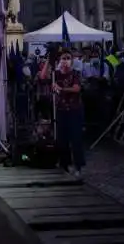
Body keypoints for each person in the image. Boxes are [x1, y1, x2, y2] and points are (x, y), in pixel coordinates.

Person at [40, 48, 85, 176]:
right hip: (61, 111)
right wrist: (48, 61)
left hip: (74, 111)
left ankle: (78, 166)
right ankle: (65, 164)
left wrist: (62, 89)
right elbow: (43, 76)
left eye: (68, 58)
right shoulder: (56, 74)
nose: (65, 61)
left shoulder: (75, 74)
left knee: (76, 139)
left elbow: (76, 89)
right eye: (63, 59)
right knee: (62, 140)